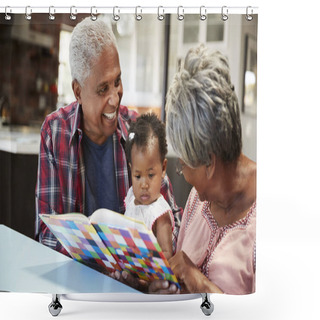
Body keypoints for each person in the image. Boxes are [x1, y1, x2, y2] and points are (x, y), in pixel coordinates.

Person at [35, 17, 182, 257]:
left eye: (117, 81)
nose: (115, 98)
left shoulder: (138, 130)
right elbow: (46, 233)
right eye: (103, 89)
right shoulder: (54, 133)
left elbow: (173, 217)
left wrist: (160, 251)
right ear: (78, 91)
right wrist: (102, 257)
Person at [164, 45, 256, 294]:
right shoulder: (197, 201)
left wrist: (202, 284)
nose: (183, 173)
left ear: (209, 163)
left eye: (183, 165)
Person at [124, 113, 174, 260]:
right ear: (131, 169)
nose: (144, 184)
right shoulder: (131, 197)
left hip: (149, 276)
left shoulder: (159, 213)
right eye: (137, 176)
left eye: (151, 175)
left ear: (163, 168)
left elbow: (167, 254)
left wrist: (145, 261)